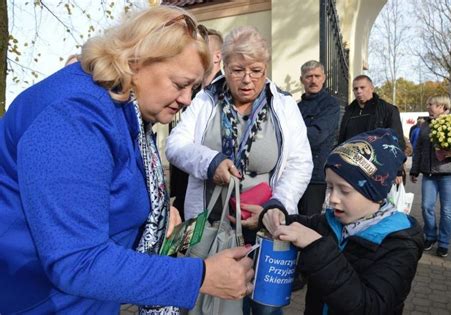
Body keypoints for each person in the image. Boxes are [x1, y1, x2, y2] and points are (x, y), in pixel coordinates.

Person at [0, 6, 254, 314]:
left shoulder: (124, 109)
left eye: (194, 88)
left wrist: (153, 217)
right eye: (180, 84)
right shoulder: (74, 116)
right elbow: (77, 261)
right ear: (137, 60)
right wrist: (200, 276)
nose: (188, 99)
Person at [166, 26, 312, 315]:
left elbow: (300, 162)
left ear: (265, 67)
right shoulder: (205, 100)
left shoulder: (282, 105)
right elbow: (176, 144)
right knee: (212, 306)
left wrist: (278, 205)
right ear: (224, 66)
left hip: (264, 228)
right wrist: (210, 163)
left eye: (256, 70)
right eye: (237, 70)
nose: (247, 79)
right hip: (211, 228)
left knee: (265, 307)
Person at [260, 128, 424, 315]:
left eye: (344, 190)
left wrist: (316, 246)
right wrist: (268, 214)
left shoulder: (400, 245)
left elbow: (370, 307)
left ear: (375, 193)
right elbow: (293, 223)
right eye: (330, 187)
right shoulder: (330, 222)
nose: (332, 199)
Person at [293, 60, 340, 291]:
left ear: (323, 78)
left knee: (309, 224)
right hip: (292, 173)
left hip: (315, 175)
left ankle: (305, 273)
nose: (313, 80)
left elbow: (316, 136)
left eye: (317, 76)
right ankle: (293, 268)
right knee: (292, 219)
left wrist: (289, 140)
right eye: (308, 76)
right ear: (302, 80)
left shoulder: (330, 105)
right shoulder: (295, 107)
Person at [170, 28, 224, 219]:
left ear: (217, 57)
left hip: (208, 196)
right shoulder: (192, 94)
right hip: (184, 189)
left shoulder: (224, 97)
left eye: (203, 49)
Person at [410, 96, 451, 257]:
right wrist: (414, 170)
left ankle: (444, 243)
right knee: (426, 207)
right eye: (428, 104)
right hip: (429, 174)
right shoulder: (424, 126)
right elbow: (418, 150)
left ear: (443, 107)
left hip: (449, 175)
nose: (428, 107)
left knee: (447, 211)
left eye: (432, 105)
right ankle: (430, 236)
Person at [338, 75, 405, 184]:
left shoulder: (388, 110)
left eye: (362, 87)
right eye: (355, 88)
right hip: (351, 168)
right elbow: (342, 139)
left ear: (372, 88)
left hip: (377, 169)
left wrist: (398, 170)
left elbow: (397, 141)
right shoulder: (349, 111)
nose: (359, 91)